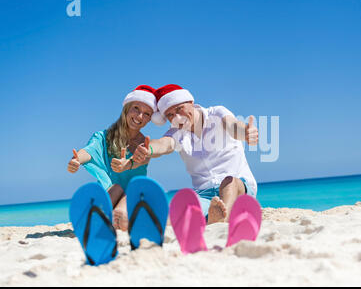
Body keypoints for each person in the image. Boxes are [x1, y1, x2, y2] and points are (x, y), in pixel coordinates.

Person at [133, 84, 259, 224]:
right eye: (170, 115)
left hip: (237, 186)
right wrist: (148, 149)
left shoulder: (216, 113)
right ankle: (209, 217)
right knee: (173, 215)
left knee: (230, 182)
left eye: (179, 109)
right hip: (204, 195)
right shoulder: (176, 131)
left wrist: (245, 133)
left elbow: (233, 125)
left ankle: (222, 220)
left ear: (191, 102)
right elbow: (164, 144)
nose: (177, 117)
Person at [67, 85, 160, 231]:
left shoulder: (145, 145)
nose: (140, 116)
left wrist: (129, 163)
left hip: (132, 198)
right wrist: (77, 159)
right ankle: (102, 219)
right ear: (126, 108)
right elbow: (90, 150)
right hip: (110, 195)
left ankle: (116, 219)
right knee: (117, 188)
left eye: (147, 114)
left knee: (130, 192)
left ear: (149, 119)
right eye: (136, 108)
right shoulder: (104, 137)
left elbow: (145, 157)